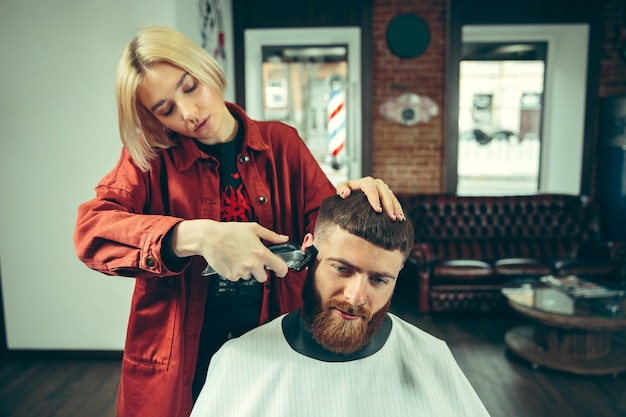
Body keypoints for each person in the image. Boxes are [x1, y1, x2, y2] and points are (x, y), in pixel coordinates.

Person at [73, 26, 405, 417]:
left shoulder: (283, 144)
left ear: (206, 69)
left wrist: (356, 199)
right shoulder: (149, 160)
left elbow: (327, 223)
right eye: (166, 109)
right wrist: (192, 235)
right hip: (182, 354)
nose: (190, 113)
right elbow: (92, 231)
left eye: (190, 87)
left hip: (270, 341)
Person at [190, 191, 491, 417]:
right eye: (342, 269)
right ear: (308, 253)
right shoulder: (237, 361)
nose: (356, 296)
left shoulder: (431, 357)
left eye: (379, 280)